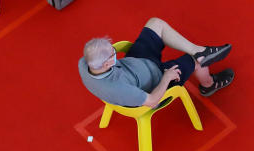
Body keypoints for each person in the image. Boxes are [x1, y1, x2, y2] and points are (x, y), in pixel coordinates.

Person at [79, 20, 233, 106]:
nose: (115, 52)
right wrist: (166, 77)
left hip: (136, 63)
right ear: (106, 65)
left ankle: (199, 51)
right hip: (157, 80)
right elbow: (152, 101)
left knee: (155, 24)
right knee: (195, 62)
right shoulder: (118, 88)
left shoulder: (86, 62)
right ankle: (209, 85)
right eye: (113, 53)